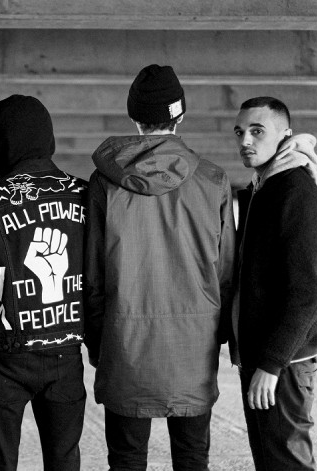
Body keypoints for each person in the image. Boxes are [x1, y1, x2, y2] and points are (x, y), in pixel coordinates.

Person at [83, 64, 236, 470]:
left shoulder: (104, 183)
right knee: (192, 457)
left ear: (133, 116)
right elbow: (225, 272)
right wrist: (218, 334)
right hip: (193, 346)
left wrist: (97, 342)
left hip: (125, 341)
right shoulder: (214, 180)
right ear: (180, 116)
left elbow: (92, 276)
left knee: (126, 459)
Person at [0, 95, 87, 471]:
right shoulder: (85, 195)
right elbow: (99, 273)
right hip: (66, 347)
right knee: (64, 458)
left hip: (6, 351)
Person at [231, 96, 317, 470]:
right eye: (240, 132)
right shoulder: (264, 187)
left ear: (285, 135)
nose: (245, 141)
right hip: (265, 356)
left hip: (284, 361)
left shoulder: (293, 189)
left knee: (287, 464)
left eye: (257, 131)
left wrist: (271, 364)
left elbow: (309, 290)